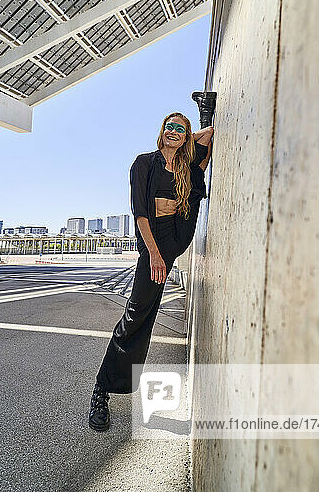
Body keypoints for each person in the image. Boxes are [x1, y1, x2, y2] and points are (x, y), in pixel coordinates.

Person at [88, 112, 214, 431]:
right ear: (160, 132)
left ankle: (116, 383)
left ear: (185, 137)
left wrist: (193, 133)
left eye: (180, 130)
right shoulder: (144, 162)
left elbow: (209, 136)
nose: (173, 132)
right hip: (153, 237)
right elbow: (140, 212)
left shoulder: (186, 168)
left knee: (147, 315)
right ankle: (101, 391)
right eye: (169, 127)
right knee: (136, 313)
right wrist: (154, 254)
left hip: (175, 235)